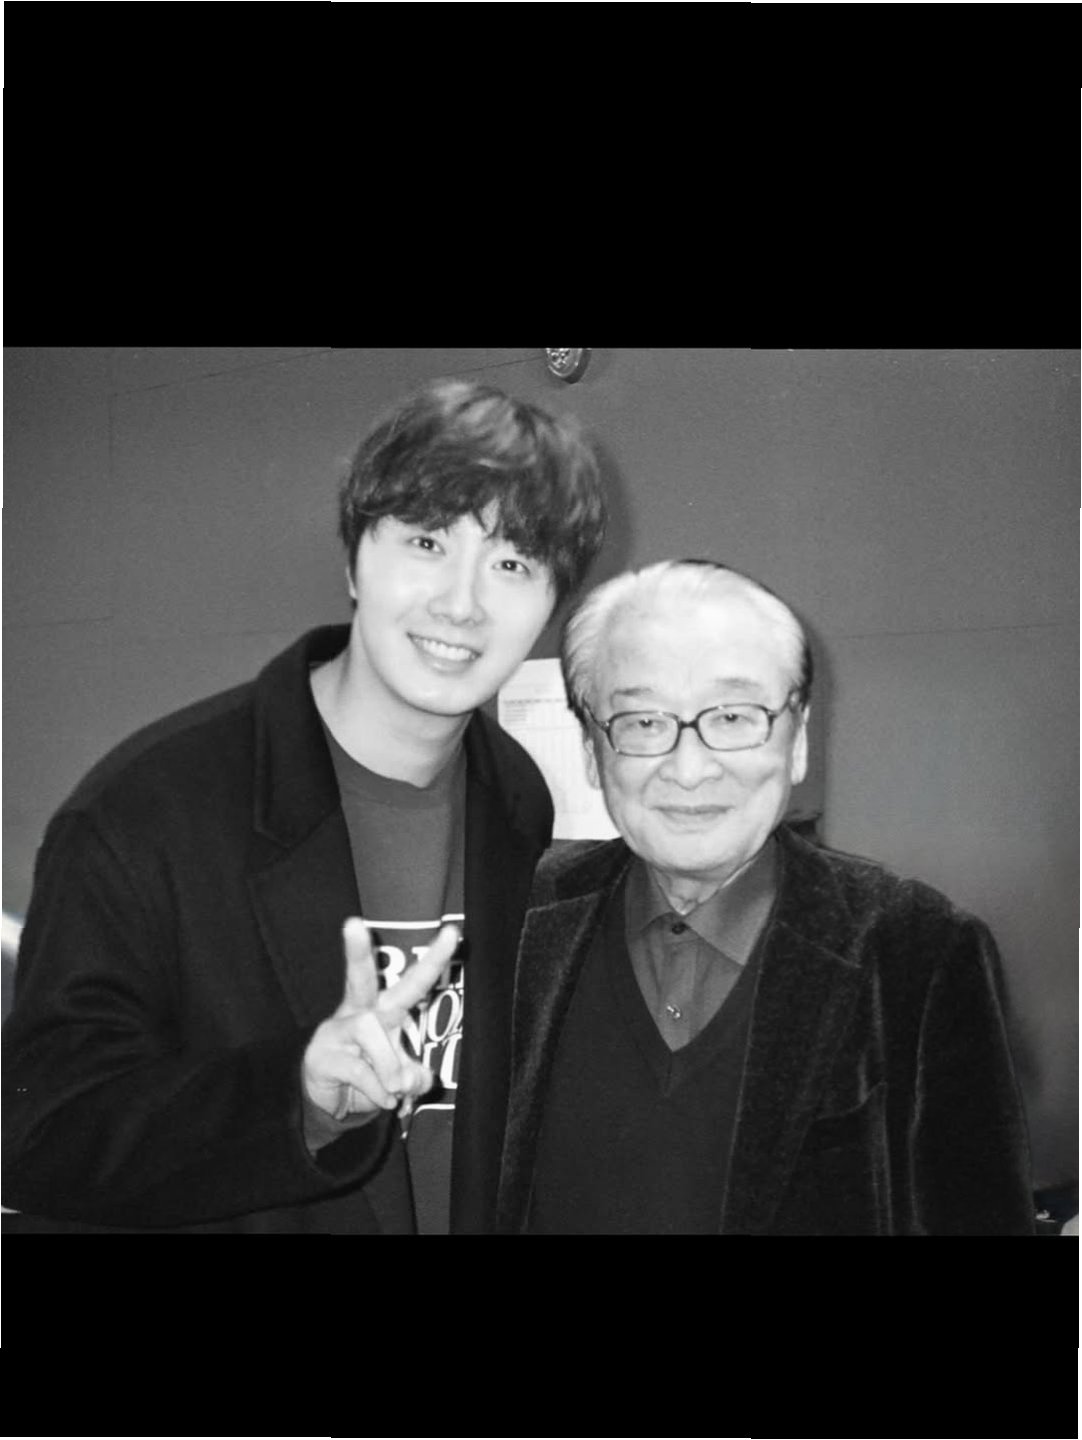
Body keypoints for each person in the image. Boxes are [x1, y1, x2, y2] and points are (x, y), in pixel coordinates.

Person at [2, 378, 606, 1234]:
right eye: (426, 541)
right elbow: (43, 1135)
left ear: (550, 603)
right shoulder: (144, 811)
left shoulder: (515, 799)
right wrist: (300, 1099)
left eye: (512, 564)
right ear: (354, 560)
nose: (462, 603)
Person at [495, 559, 1035, 1235]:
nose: (689, 769)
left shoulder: (918, 951)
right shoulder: (517, 915)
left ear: (797, 738)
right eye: (642, 722)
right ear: (590, 752)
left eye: (733, 716)